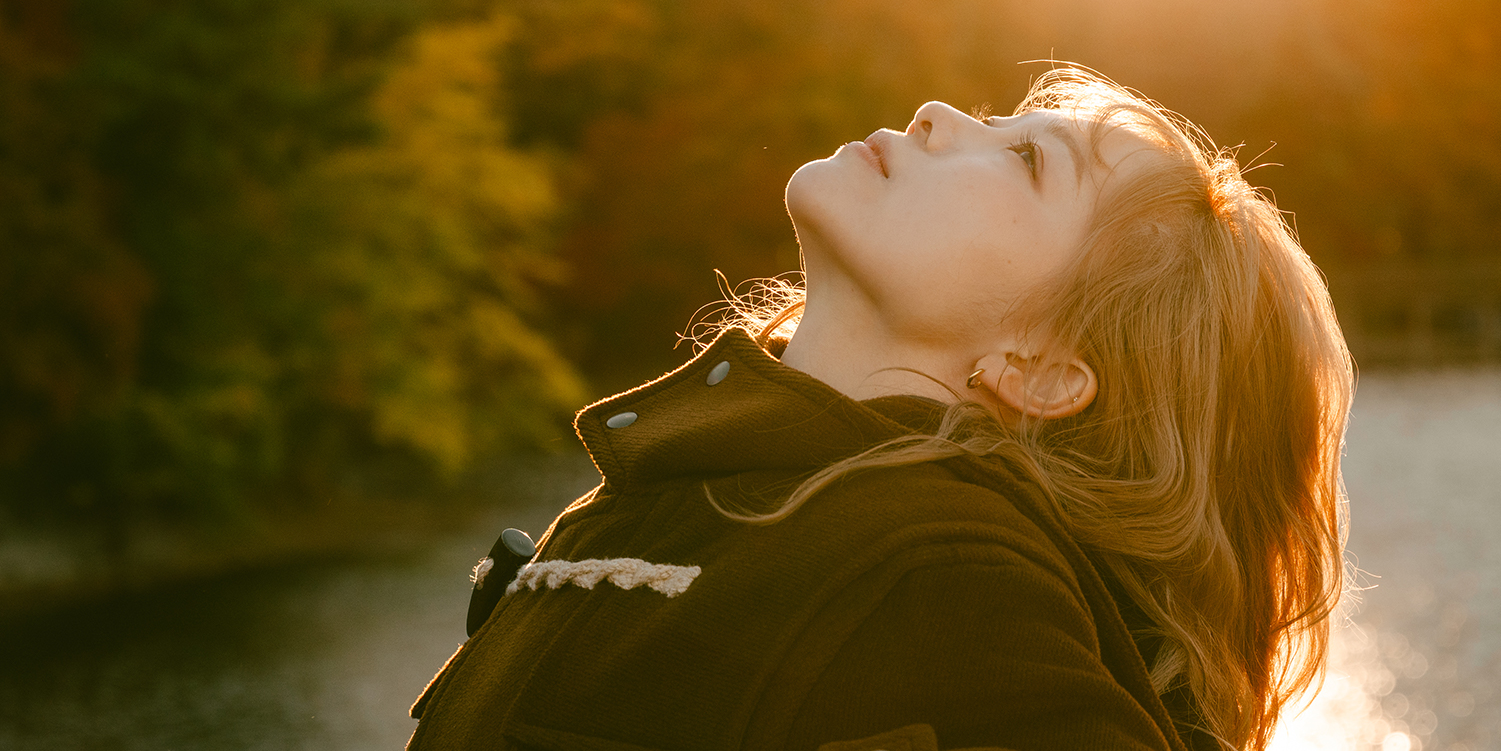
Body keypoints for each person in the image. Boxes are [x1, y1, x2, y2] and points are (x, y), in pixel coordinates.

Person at [405, 67, 1354, 751]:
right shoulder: (676, 483)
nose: (939, 115)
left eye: (1026, 156)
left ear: (1043, 368)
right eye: (996, 119)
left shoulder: (951, 584)